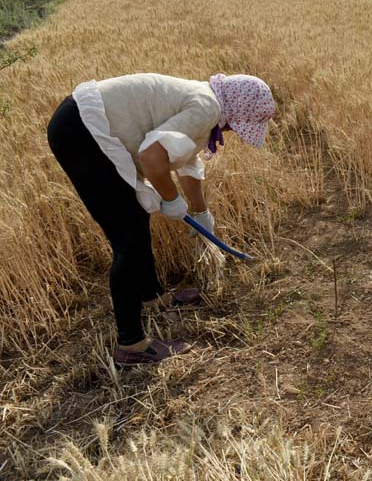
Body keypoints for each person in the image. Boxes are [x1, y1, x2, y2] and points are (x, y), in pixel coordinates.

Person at [47, 73, 275, 366]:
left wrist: (200, 211)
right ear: (237, 111)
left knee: (136, 217)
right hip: (82, 131)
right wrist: (171, 199)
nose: (233, 131)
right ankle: (132, 344)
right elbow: (152, 157)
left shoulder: (205, 101)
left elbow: (185, 159)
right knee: (128, 236)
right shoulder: (206, 107)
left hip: (78, 122)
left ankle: (151, 296)